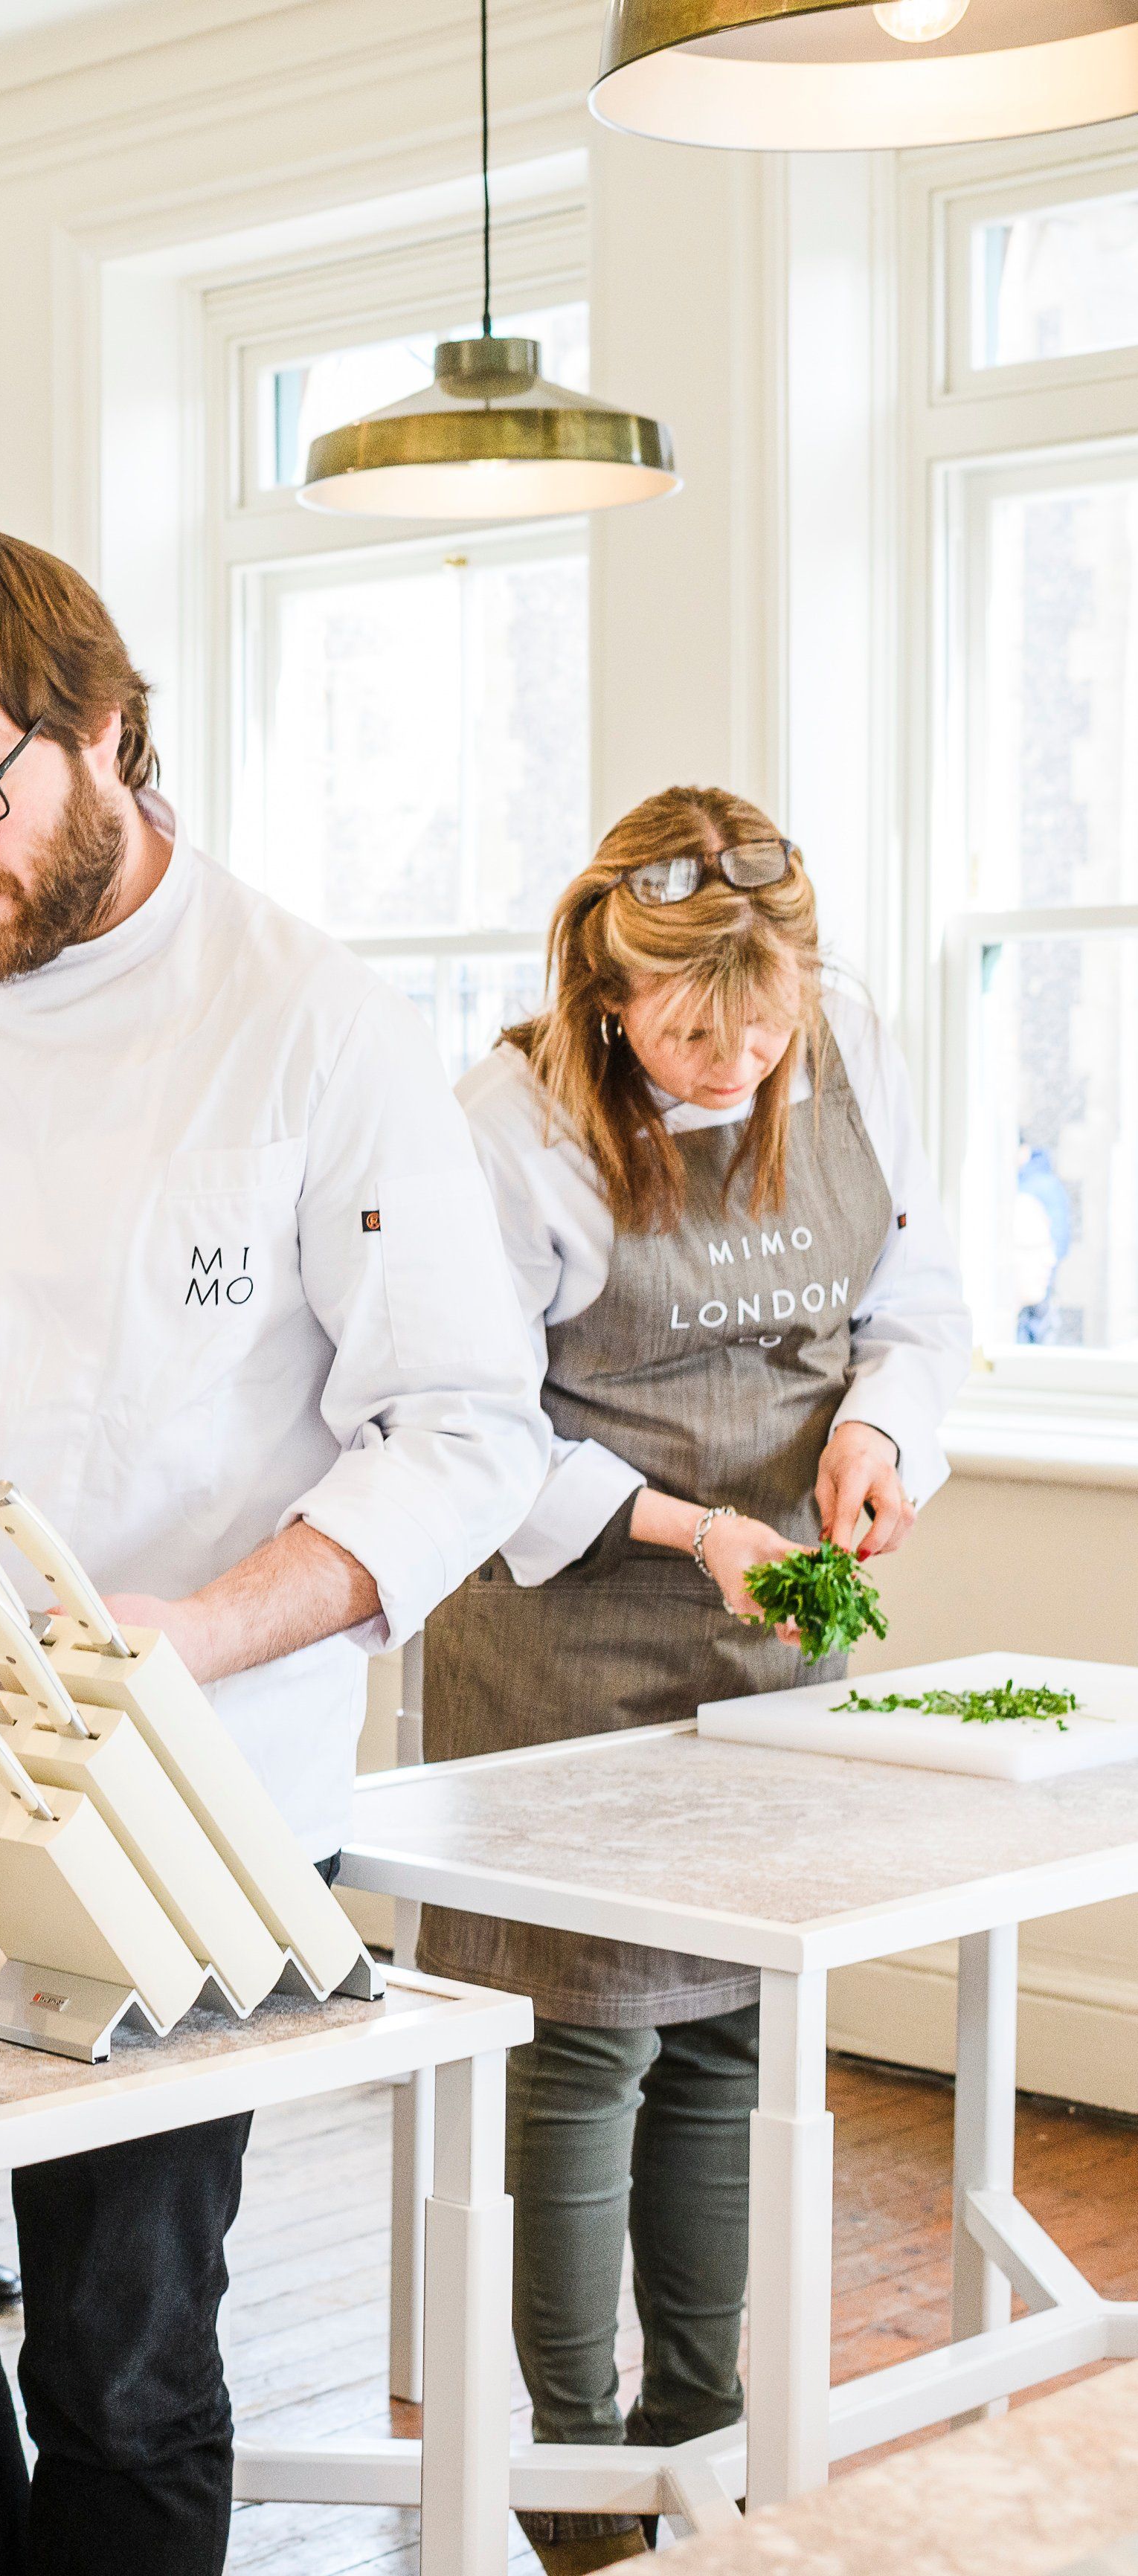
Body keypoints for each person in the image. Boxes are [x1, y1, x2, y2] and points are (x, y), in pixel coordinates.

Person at [0, 527, 546, 2576]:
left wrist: (201, 1631)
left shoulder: (299, 1015)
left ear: (110, 728)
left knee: (121, 2353)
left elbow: (459, 1422)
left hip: (190, 1815)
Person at [419, 790, 962, 2576]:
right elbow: (472, 1431)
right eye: (688, 1030)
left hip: (764, 1629)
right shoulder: (505, 1126)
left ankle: (695, 2431)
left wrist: (878, 1431)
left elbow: (917, 1291)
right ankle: (577, 2481)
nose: (733, 1065)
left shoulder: (850, 1041)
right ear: (605, 986)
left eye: (765, 1021)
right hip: (571, 1623)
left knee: (728, 2024)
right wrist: (683, 1526)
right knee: (588, 2039)